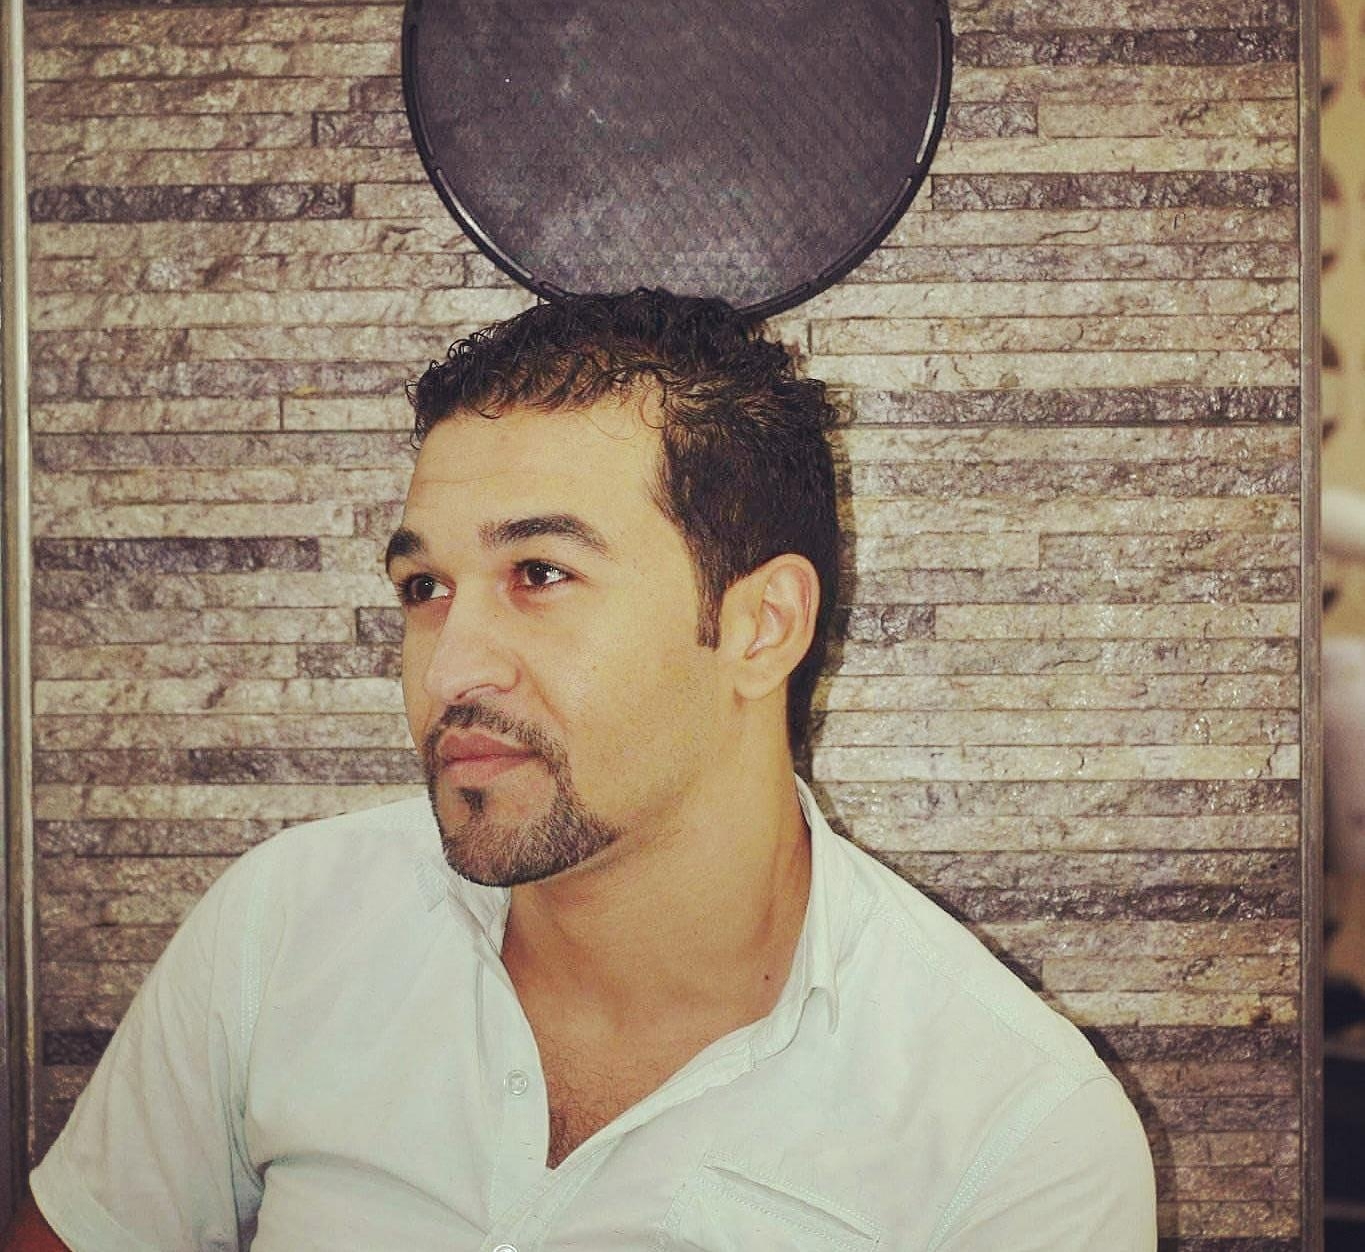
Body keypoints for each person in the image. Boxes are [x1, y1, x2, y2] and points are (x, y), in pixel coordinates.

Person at [6, 289, 1156, 1250]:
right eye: (424, 588)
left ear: (760, 627)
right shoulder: (287, 926)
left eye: (541, 574)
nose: (450, 666)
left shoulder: (1017, 1138)